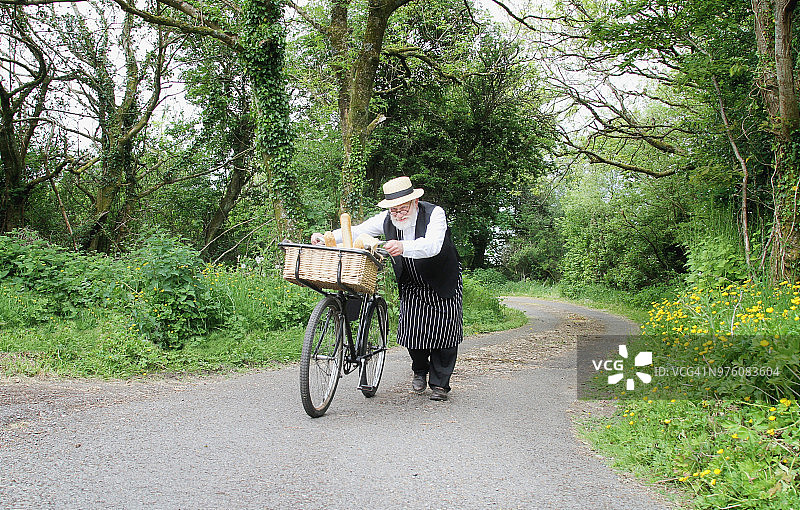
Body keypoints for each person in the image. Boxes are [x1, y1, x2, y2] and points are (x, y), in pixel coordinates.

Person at [311, 176, 463, 401]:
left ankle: (440, 384)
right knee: (414, 331)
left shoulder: (434, 214)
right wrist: (328, 238)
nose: (398, 214)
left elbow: (433, 246)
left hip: (443, 278)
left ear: (415, 202)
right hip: (411, 280)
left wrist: (403, 246)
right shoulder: (386, 219)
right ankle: (420, 370)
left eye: (403, 209)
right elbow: (359, 230)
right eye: (394, 210)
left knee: (445, 333)